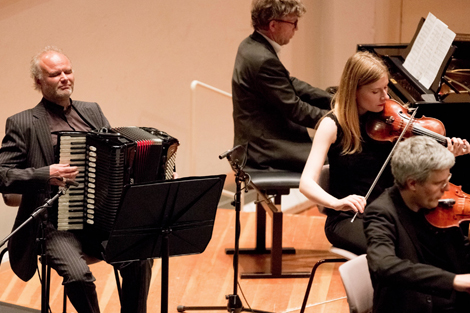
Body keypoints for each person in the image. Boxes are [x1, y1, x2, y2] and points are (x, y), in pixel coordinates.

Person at [0, 46, 152, 313]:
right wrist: (46, 174)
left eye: (68, 71)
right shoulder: (22, 122)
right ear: (38, 81)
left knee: (139, 256)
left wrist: (151, 171)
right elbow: (3, 175)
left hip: (98, 219)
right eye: (55, 74)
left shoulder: (91, 111)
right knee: (78, 275)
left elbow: (116, 156)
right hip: (53, 225)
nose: (64, 78)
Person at [299, 51, 470, 255]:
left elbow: (414, 174)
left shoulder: (391, 121)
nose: (385, 97)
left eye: (386, 88)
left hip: (393, 213)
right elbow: (306, 183)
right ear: (354, 90)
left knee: (449, 241)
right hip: (350, 219)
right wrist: (336, 203)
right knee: (400, 250)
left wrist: (448, 156)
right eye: (375, 91)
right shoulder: (332, 125)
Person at [364, 136, 470, 313]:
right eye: (438, 183)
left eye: (448, 179)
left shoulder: (437, 206)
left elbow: (459, 248)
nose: (446, 189)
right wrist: (453, 281)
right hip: (414, 306)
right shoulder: (382, 213)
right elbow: (383, 265)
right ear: (412, 183)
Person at [232, 0, 332, 173]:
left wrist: (332, 100)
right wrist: (339, 120)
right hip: (264, 150)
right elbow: (295, 109)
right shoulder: (263, 59)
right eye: (293, 22)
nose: (296, 28)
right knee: (340, 159)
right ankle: (336, 201)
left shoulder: (251, 45)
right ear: (273, 25)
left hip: (258, 141)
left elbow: (289, 83)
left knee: (334, 151)